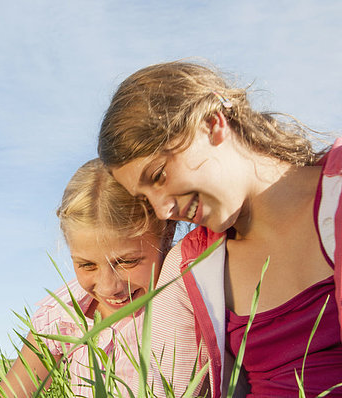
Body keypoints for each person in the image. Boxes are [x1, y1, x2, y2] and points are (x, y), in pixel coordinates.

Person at [98, 60, 342, 397]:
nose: (164, 210)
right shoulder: (188, 267)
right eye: (145, 198)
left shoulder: (336, 193)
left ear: (213, 124)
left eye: (158, 176)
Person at [0, 158, 175, 397]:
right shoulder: (61, 315)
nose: (110, 288)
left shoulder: (185, 294)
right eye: (87, 265)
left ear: (168, 234)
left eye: (127, 262)